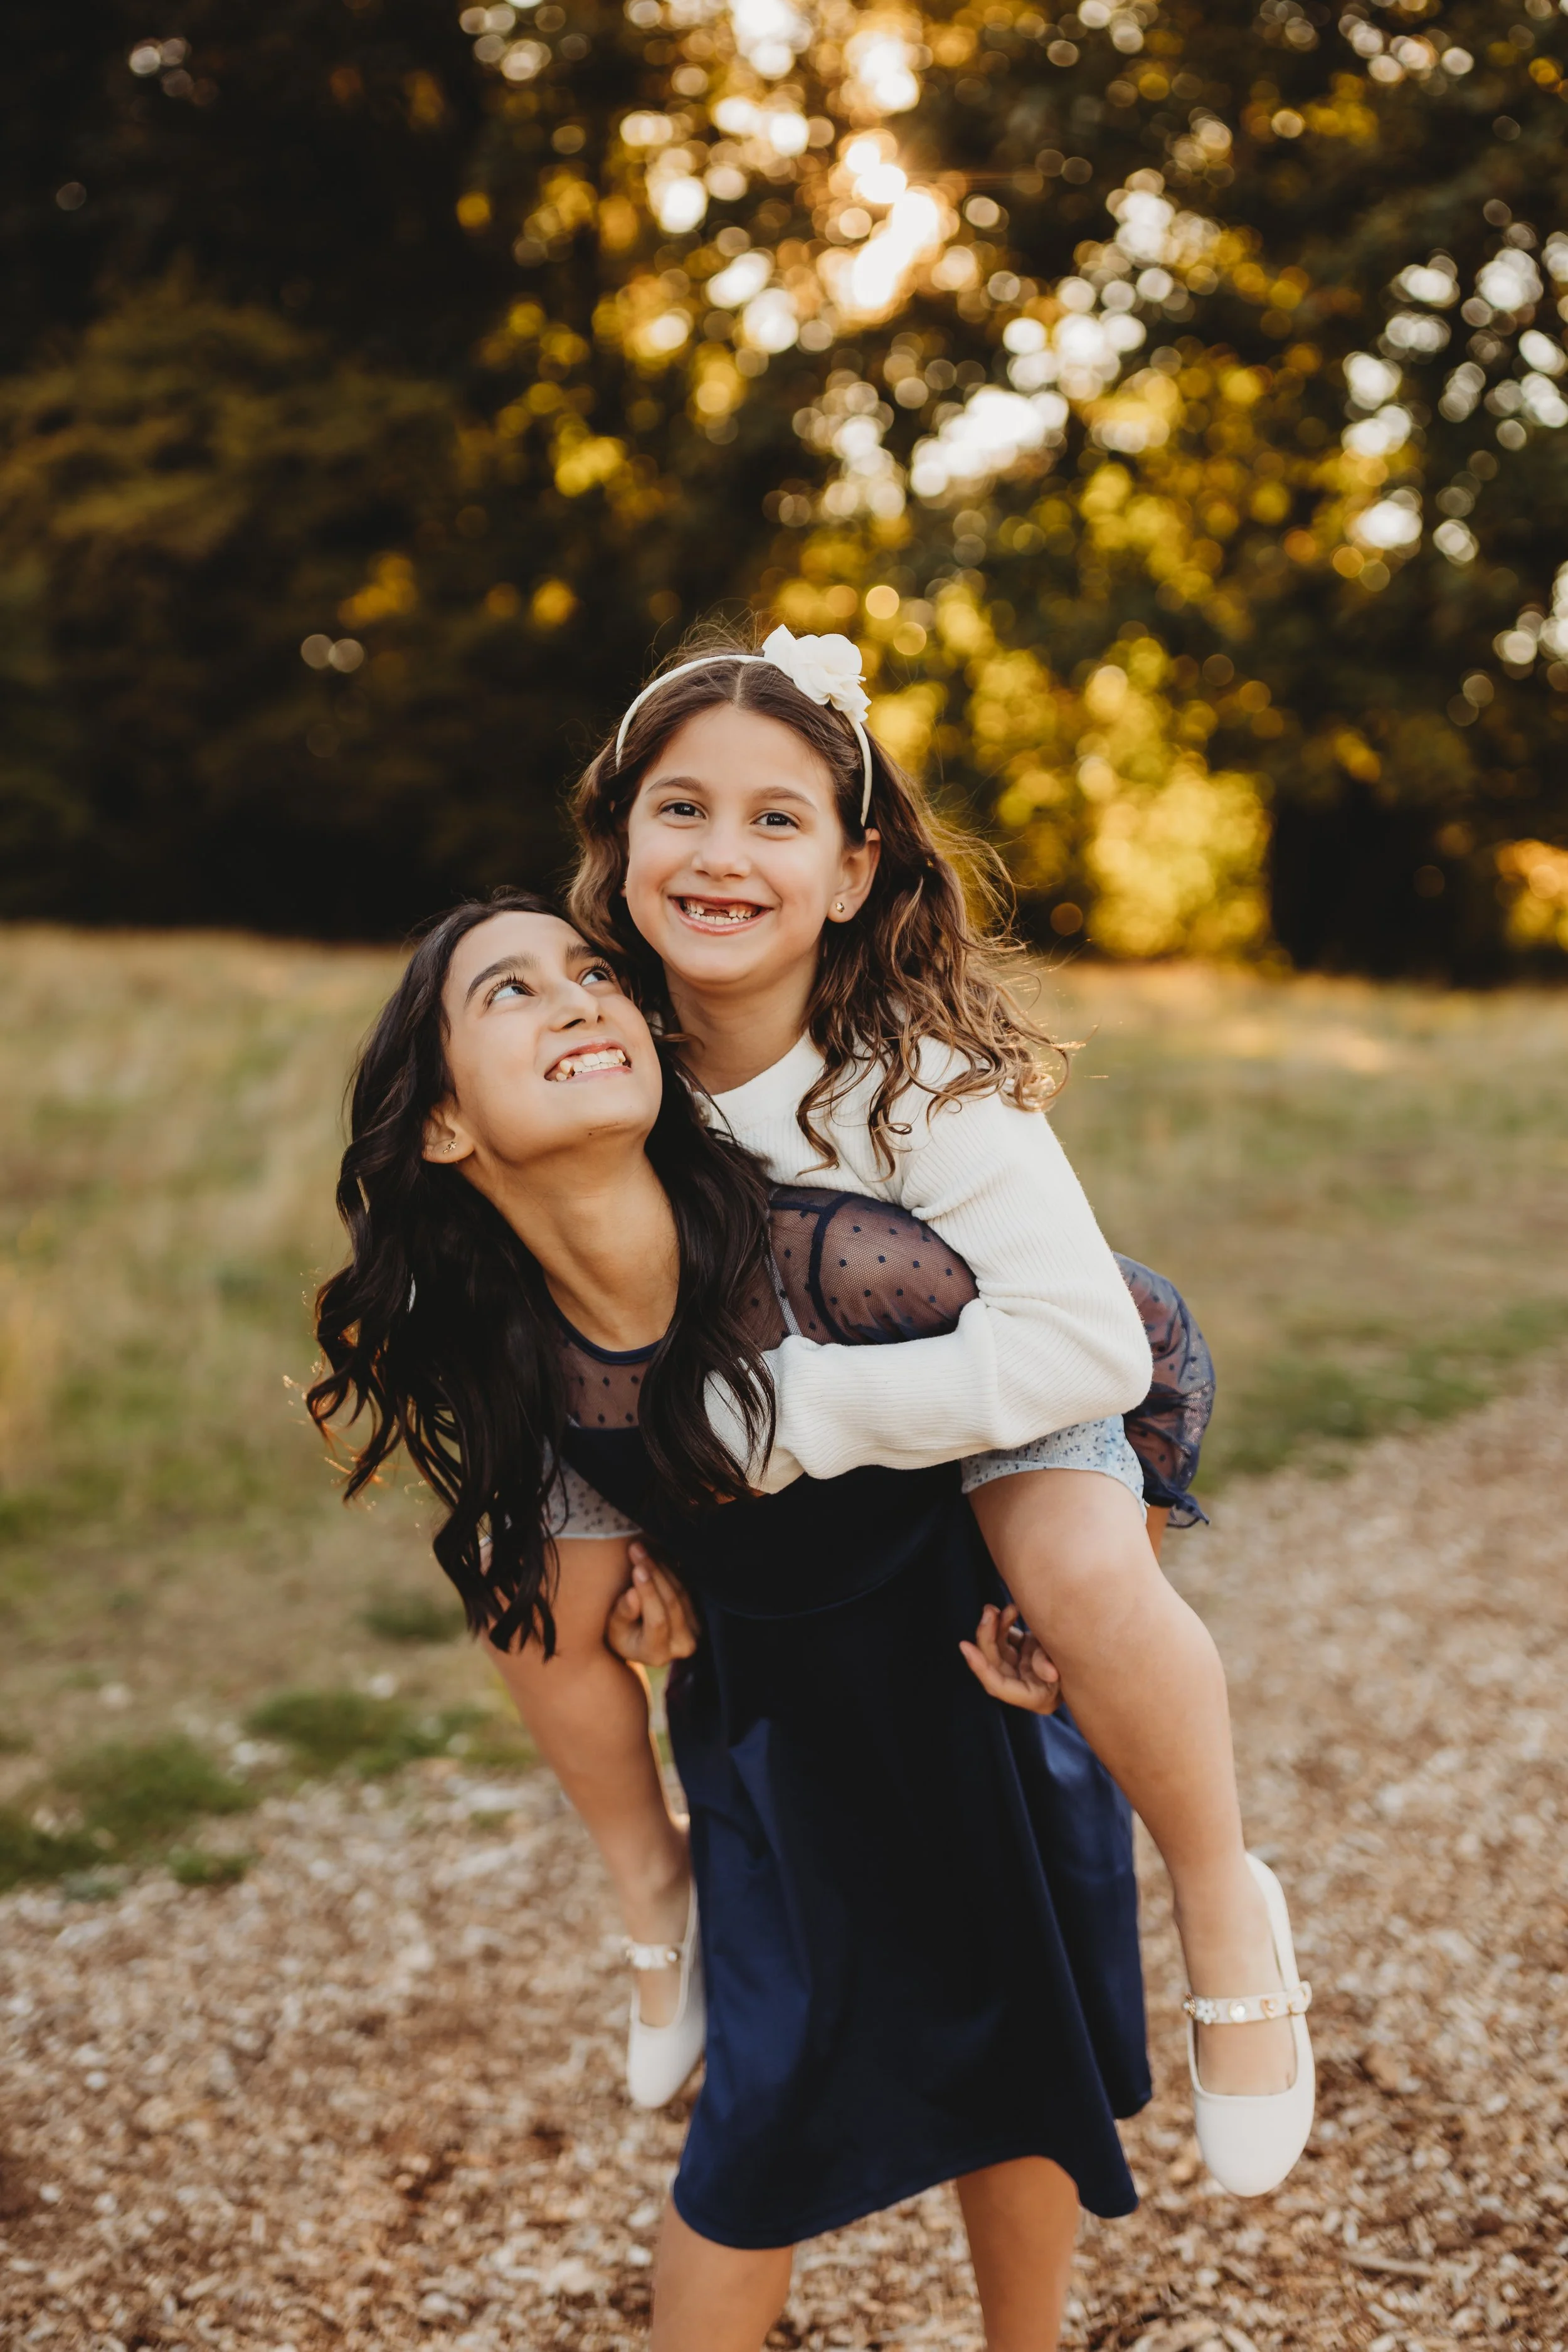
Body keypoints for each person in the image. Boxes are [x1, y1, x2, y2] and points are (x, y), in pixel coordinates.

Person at [307, 896, 1276, 2351]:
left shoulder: (828, 1258)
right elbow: (542, 1631)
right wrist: (654, 1820)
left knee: (1020, 2063)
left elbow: (1126, 1340)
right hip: (768, 1733)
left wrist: (1071, 1598)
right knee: (750, 2135)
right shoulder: (509, 1345)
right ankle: (667, 1925)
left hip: (965, 1677)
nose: (578, 997)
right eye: (511, 990)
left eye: (590, 973)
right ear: (443, 1123)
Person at [546, 621, 1313, 2197]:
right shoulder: (612, 1059)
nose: (720, 853)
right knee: (522, 1573)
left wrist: (806, 1411)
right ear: (618, 836)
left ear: (848, 870)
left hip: (990, 1369)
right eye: (679, 808)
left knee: (1083, 1580)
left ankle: (1228, 1904)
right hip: (739, 1408)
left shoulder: (918, 1080)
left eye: (777, 819)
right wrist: (645, 1508)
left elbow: (1081, 1349)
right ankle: (651, 1895)